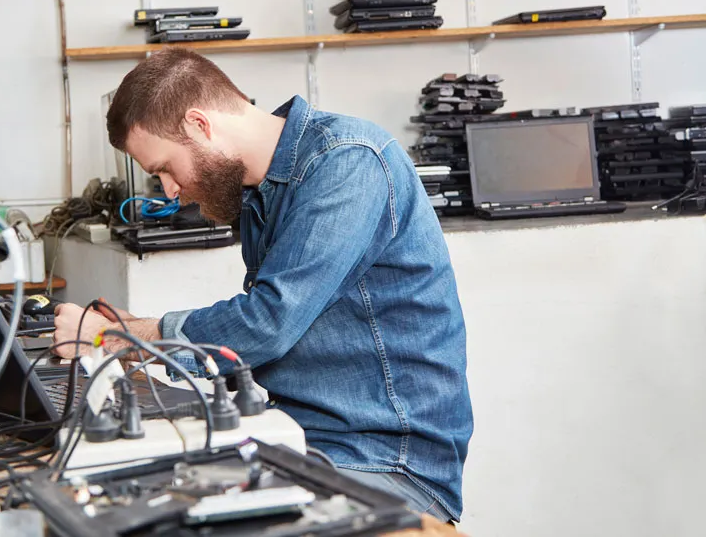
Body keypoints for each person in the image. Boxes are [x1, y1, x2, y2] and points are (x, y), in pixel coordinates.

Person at [53, 48, 473, 523]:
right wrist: (138, 336)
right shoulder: (259, 193)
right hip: (299, 439)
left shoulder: (348, 162)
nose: (169, 190)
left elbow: (270, 322)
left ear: (199, 124)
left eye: (165, 168)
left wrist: (123, 340)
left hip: (385, 460)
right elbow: (263, 339)